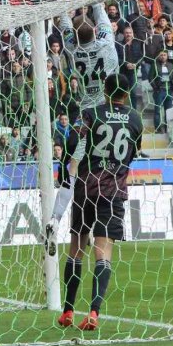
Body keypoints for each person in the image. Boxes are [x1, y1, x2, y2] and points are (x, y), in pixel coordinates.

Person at [57, 74, 143, 329]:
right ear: (126, 94)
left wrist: (67, 172)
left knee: (77, 248)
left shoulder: (91, 112)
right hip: (113, 190)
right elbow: (134, 150)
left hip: (86, 188)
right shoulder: (136, 118)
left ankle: (68, 311)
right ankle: (94, 313)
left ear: (105, 91)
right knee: (103, 253)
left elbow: (73, 142)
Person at [45, 2, 120, 252]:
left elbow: (65, 25)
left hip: (83, 119)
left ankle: (55, 219)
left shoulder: (72, 50)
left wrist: (65, 4)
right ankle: (96, 224)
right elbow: (105, 23)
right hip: (105, 117)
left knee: (74, 170)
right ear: (95, 32)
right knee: (102, 172)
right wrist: (97, 1)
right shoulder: (106, 46)